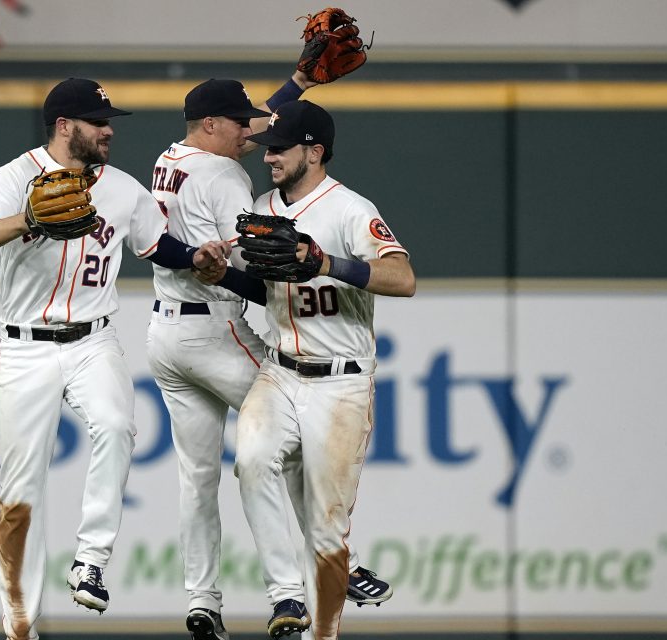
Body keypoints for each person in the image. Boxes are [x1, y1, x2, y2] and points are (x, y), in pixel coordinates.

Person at [0, 77, 227, 640]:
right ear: (63, 126)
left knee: (117, 424)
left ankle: (91, 560)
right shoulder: (15, 176)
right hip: (25, 345)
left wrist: (195, 254)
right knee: (20, 492)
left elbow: (157, 246)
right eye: (98, 122)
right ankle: (19, 625)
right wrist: (29, 219)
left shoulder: (123, 189)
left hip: (93, 339)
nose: (108, 131)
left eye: (109, 123)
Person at [148, 78, 394, 640]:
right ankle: (299, 587)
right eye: (253, 133)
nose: (261, 146)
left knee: (204, 476)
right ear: (213, 125)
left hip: (178, 330)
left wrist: (298, 83)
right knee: (266, 457)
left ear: (313, 150)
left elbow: (401, 277)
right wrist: (227, 272)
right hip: (237, 340)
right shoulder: (237, 186)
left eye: (278, 144)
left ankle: (206, 599)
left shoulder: (174, 155)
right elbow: (268, 287)